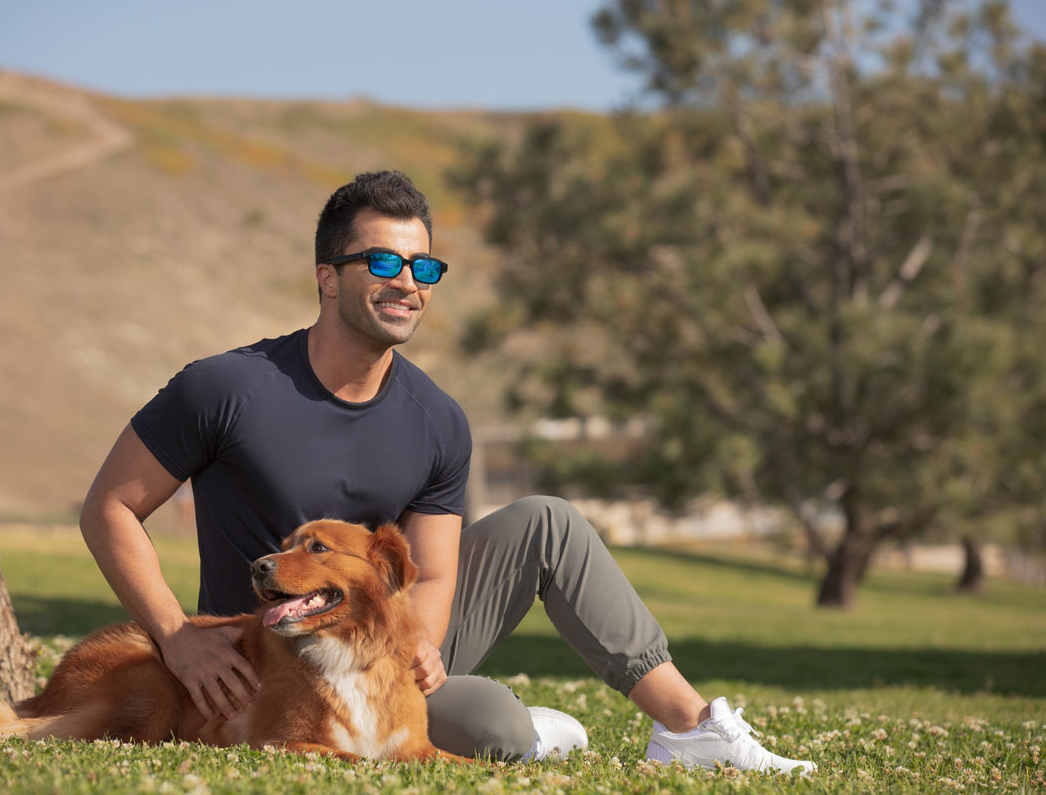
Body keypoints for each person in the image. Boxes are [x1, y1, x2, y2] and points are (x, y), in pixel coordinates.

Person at [80, 170, 816, 773]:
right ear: (326, 278)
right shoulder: (226, 389)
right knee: (494, 725)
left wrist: (418, 647)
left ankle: (689, 728)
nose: (408, 282)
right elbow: (109, 507)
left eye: (423, 266)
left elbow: (430, 576)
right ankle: (530, 727)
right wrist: (177, 635)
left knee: (548, 522)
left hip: (384, 645)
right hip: (273, 660)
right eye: (383, 262)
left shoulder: (438, 419)